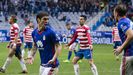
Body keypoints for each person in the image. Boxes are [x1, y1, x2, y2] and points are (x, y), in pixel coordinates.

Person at [113, 4, 133, 75]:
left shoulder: (122, 22)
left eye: (114, 12)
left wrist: (121, 48)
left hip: (129, 54)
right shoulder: (129, 21)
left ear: (116, 13)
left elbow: (131, 35)